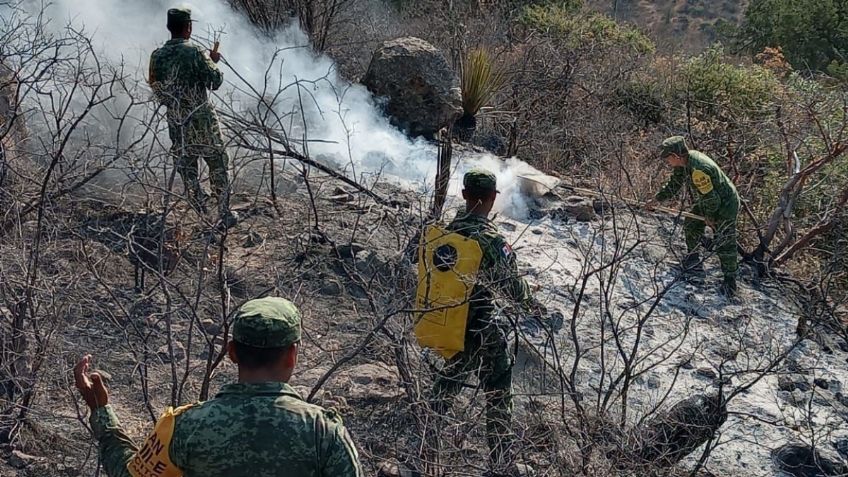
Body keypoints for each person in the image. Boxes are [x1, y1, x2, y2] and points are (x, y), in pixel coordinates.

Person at [74, 297, 363, 477]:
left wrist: (102, 413)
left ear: (232, 352)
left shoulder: (184, 426)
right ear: (292, 354)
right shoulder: (324, 433)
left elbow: (130, 474)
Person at [431, 168, 543, 476]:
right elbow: (513, 288)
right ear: (493, 199)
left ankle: (424, 434)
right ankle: (499, 461)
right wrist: (532, 306)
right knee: (497, 388)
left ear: (464, 195)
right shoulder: (490, 240)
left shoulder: (445, 232)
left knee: (449, 380)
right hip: (480, 326)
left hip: (447, 321)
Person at [148, 7, 237, 227]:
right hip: (201, 119)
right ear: (188, 27)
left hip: (177, 121)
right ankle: (224, 214)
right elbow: (214, 81)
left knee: (187, 168)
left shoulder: (157, 56)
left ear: (169, 27)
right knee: (217, 162)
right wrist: (213, 60)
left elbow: (157, 90)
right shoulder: (195, 52)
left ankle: (201, 212)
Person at [647, 136, 741, 297]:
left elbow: (713, 200)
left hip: (725, 204)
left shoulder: (698, 169)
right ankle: (693, 257)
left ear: (676, 156)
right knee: (691, 222)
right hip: (710, 200)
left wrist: (710, 217)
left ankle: (730, 281)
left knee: (724, 240)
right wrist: (657, 200)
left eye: (668, 158)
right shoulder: (685, 161)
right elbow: (675, 184)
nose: (667, 162)